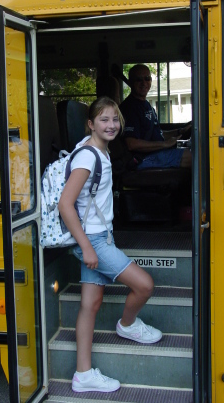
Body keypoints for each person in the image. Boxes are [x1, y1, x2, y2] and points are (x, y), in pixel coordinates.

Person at [58, 96, 162, 394]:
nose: (111, 125)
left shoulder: (98, 151)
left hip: (99, 236)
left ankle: (83, 374)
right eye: (103, 119)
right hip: (92, 240)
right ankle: (127, 325)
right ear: (90, 123)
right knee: (144, 285)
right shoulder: (88, 155)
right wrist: (88, 248)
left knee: (90, 304)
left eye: (115, 119)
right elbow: (66, 204)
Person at [120, 64, 192, 169]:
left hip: (153, 154)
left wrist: (180, 131)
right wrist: (165, 144)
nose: (144, 83)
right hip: (141, 159)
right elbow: (131, 144)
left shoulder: (146, 105)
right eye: (138, 79)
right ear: (130, 82)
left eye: (147, 78)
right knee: (194, 157)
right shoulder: (129, 107)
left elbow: (158, 134)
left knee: (192, 151)